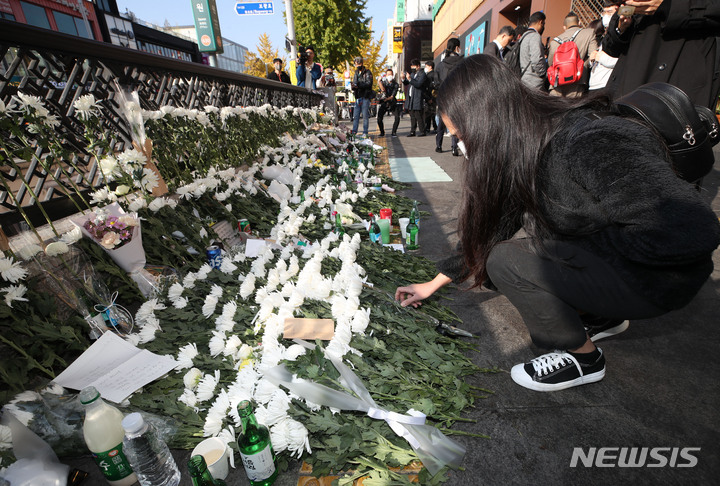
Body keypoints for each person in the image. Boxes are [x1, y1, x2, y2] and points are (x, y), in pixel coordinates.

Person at [394, 54, 720, 392]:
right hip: (633, 262)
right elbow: (489, 229)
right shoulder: (528, 145)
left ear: (486, 120)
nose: (460, 148)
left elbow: (692, 228)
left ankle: (582, 357)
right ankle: (603, 315)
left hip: (661, 278)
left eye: (460, 134)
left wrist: (586, 256)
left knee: (507, 262)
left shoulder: (585, 142)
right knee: (515, 251)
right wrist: (431, 284)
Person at [603, 0, 720, 109]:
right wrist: (621, 28)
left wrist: (667, 6)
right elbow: (610, 48)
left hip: (679, 78)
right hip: (627, 85)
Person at [547, 12, 598, 97]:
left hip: (557, 83)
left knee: (555, 109)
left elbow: (550, 63)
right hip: (577, 82)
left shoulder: (555, 41)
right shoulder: (589, 33)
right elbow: (593, 56)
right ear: (579, 23)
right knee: (573, 109)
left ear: (564, 27)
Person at [435, 38, 463, 154]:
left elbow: (436, 82)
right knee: (456, 122)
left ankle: (439, 146)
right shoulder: (462, 62)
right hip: (458, 96)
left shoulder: (441, 65)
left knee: (442, 122)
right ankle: (454, 147)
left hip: (443, 96)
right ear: (457, 48)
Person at [588, 1, 621, 92]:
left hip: (606, 84)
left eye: (610, 12)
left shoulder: (621, 36)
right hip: (594, 85)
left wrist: (601, 58)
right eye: (604, 12)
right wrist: (593, 58)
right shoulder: (605, 37)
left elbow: (622, 60)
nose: (606, 15)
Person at [519, 11, 548, 91]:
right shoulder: (535, 36)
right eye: (543, 24)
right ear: (540, 22)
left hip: (524, 79)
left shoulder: (524, 37)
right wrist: (543, 75)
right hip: (534, 82)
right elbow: (536, 60)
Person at [403, 58, 428, 137]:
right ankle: (412, 131)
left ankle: (422, 131)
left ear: (418, 66)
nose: (412, 68)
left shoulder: (422, 74)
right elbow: (407, 83)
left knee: (418, 115)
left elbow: (418, 84)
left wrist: (410, 79)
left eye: (414, 66)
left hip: (417, 96)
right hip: (411, 97)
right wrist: (403, 78)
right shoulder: (413, 74)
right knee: (412, 115)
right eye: (411, 66)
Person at [351, 56, 374, 137]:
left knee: (365, 115)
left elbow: (369, 84)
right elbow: (354, 82)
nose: (357, 66)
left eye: (358, 64)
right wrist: (353, 86)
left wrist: (358, 85)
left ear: (361, 63)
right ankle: (354, 131)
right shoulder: (356, 73)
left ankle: (365, 132)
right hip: (357, 96)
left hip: (365, 96)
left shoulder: (368, 72)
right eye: (356, 64)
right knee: (356, 115)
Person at [376, 69, 400, 137]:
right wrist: (379, 81)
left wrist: (387, 99)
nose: (390, 76)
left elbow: (393, 96)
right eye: (388, 74)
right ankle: (382, 132)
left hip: (392, 102)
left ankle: (394, 132)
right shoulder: (384, 82)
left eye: (391, 74)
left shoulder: (395, 84)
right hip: (384, 103)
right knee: (379, 118)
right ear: (386, 75)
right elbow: (383, 89)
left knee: (397, 117)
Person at [424, 61, 440, 134]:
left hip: (432, 97)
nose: (425, 68)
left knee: (433, 113)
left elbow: (436, 86)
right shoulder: (427, 74)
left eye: (426, 66)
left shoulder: (434, 74)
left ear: (430, 66)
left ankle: (435, 127)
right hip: (428, 96)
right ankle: (428, 127)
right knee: (428, 113)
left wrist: (432, 98)